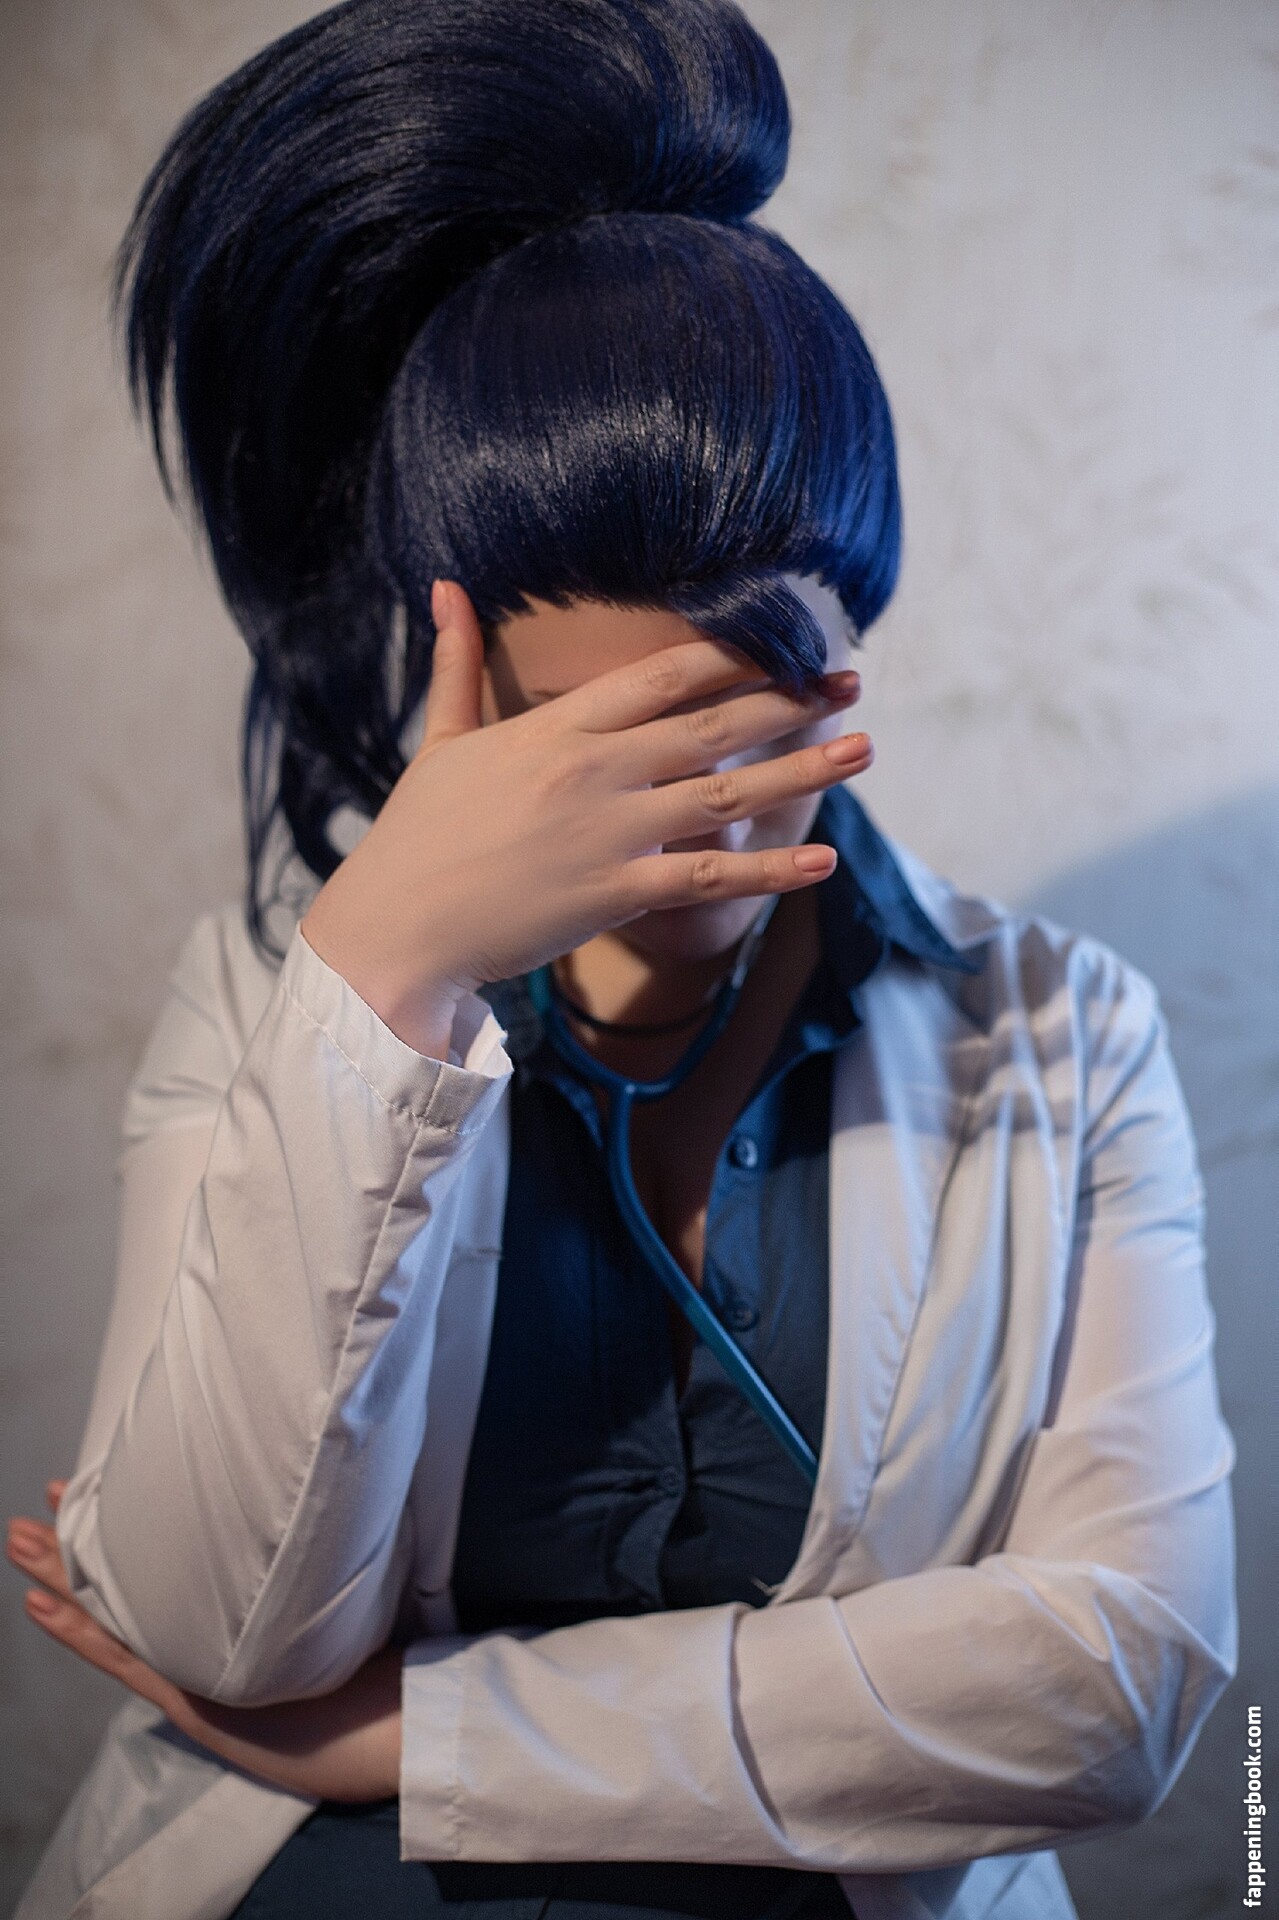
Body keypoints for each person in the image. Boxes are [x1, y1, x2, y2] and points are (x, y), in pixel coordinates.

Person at [6, 2, 1236, 1917]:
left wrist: (427, 1736)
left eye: (738, 726)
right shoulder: (274, 990)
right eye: (582, 751)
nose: (686, 836)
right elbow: (216, 1633)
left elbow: (1120, 1681)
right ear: (467, 692)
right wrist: (386, 972)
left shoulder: (1066, 1032)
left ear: (854, 645)